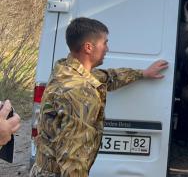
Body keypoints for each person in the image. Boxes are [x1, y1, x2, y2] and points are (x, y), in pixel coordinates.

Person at [30, 17, 168, 177]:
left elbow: (108, 77)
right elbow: (74, 158)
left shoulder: (66, 70)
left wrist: (142, 73)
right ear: (88, 47)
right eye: (105, 43)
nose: (107, 48)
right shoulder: (80, 93)